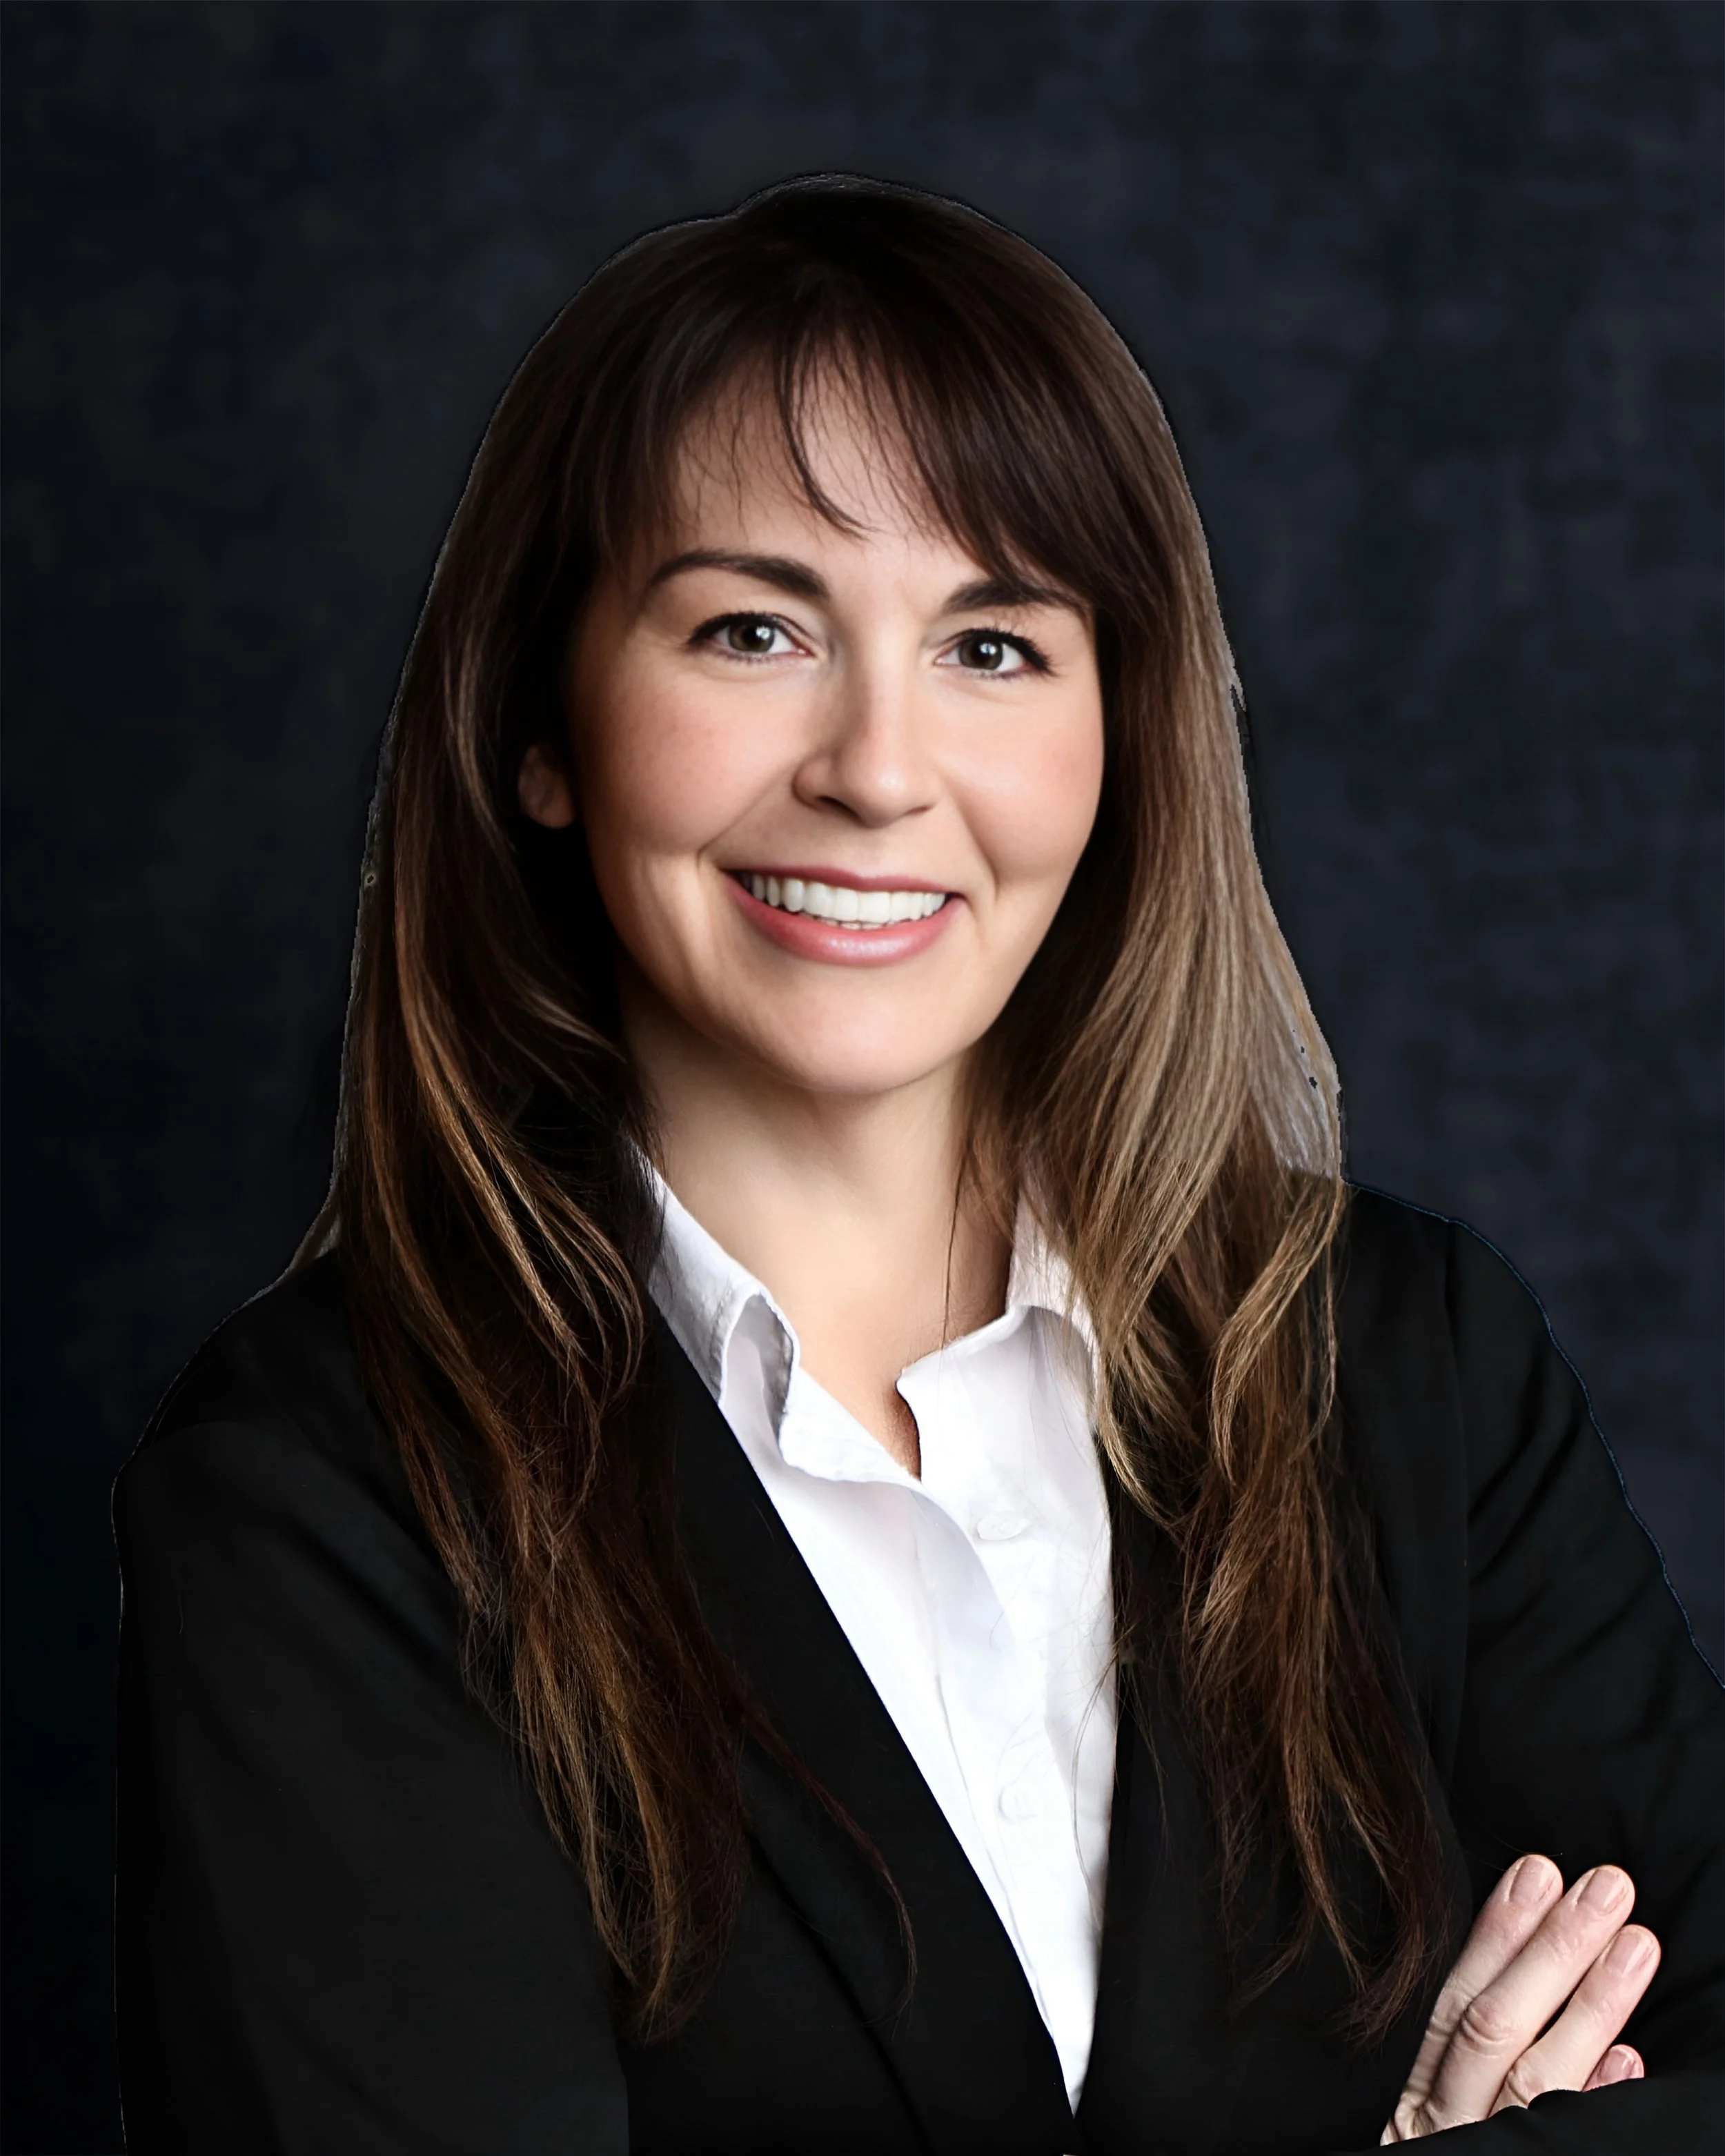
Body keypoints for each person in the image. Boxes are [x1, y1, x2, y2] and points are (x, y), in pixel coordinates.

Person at [113, 176, 1724, 2153]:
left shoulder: (1406, 1365)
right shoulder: (324, 1500)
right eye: (752, 626)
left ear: (1119, 732)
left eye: (992, 644)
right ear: (543, 721)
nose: (878, 768)